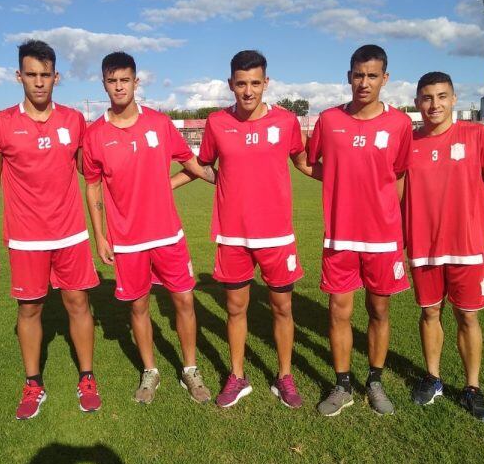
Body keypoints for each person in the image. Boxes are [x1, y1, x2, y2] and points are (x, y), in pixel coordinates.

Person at [173, 50, 312, 408]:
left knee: (282, 308)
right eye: (241, 84)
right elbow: (202, 166)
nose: (248, 91)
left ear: (266, 83)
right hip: (233, 235)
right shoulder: (218, 123)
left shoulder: (286, 122)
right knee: (235, 309)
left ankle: (284, 376)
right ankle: (237, 376)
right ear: (230, 84)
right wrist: (164, 186)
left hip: (277, 235)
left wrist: (346, 174)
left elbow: (303, 162)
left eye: (254, 83)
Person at [83, 51, 215, 405]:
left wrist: (225, 179)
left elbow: (193, 166)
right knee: (138, 308)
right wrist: (100, 235)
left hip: (168, 234)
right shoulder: (95, 135)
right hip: (127, 241)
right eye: (112, 81)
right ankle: (150, 372)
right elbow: (92, 186)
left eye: (125, 80)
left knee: (184, 301)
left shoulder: (159, 123)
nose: (119, 87)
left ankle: (190, 370)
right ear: (104, 84)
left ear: (136, 82)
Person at [0, 39, 101, 420]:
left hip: (71, 234)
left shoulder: (73, 121)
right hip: (26, 237)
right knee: (29, 308)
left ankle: (87, 378)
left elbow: (91, 172)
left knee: (78, 304)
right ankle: (33, 383)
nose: (38, 83)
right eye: (31, 75)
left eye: (45, 75)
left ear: (56, 77)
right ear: (19, 76)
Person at [306, 44, 412, 416]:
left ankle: (376, 381)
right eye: (358, 74)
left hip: (383, 237)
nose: (364, 82)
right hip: (340, 235)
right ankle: (343, 385)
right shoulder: (329, 119)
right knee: (339, 311)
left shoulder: (399, 124)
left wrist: (395, 222)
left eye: (372, 75)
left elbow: (398, 174)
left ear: (385, 78)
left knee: (379, 310)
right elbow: (307, 162)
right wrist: (333, 178)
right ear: (348, 76)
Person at [405, 71, 484, 422]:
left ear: (453, 99)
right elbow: (392, 191)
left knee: (468, 315)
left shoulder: (476, 135)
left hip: (467, 245)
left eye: (440, 96)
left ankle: (471, 387)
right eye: (426, 98)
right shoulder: (409, 142)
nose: (433, 105)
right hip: (423, 246)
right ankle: (433, 378)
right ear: (418, 102)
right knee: (429, 313)